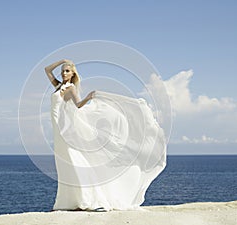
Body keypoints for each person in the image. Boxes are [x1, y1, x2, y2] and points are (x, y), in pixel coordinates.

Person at [45, 59, 167, 212]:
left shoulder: (70, 88)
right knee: (63, 162)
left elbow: (78, 105)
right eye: (62, 71)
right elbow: (47, 70)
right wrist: (63, 61)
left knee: (73, 158)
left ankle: (92, 199)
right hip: (57, 126)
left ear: (73, 73)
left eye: (67, 71)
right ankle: (69, 202)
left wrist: (89, 98)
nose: (64, 73)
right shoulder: (58, 86)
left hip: (65, 127)